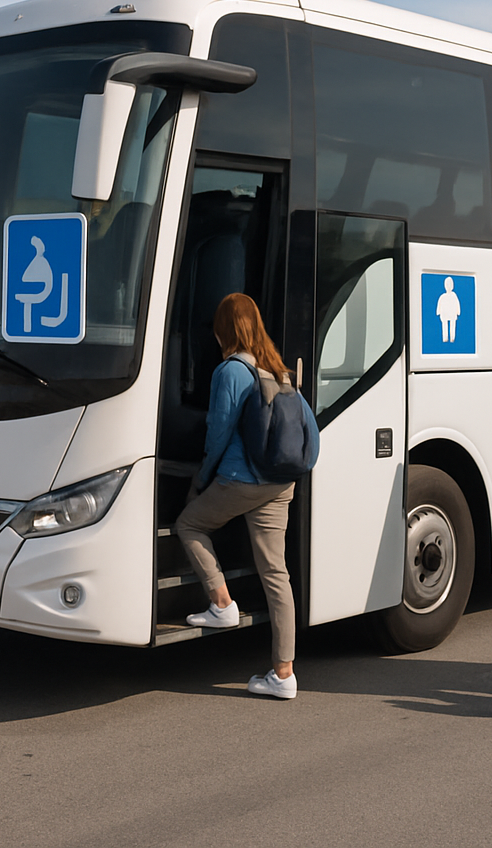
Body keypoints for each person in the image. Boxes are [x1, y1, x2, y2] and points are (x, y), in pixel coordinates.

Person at [176, 292, 299, 700]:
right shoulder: (277, 368)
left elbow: (218, 434)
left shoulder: (230, 371)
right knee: (276, 575)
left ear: (222, 329)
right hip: (280, 482)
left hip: (241, 480)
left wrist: (200, 480)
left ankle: (222, 602)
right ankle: (283, 675)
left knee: (190, 524)